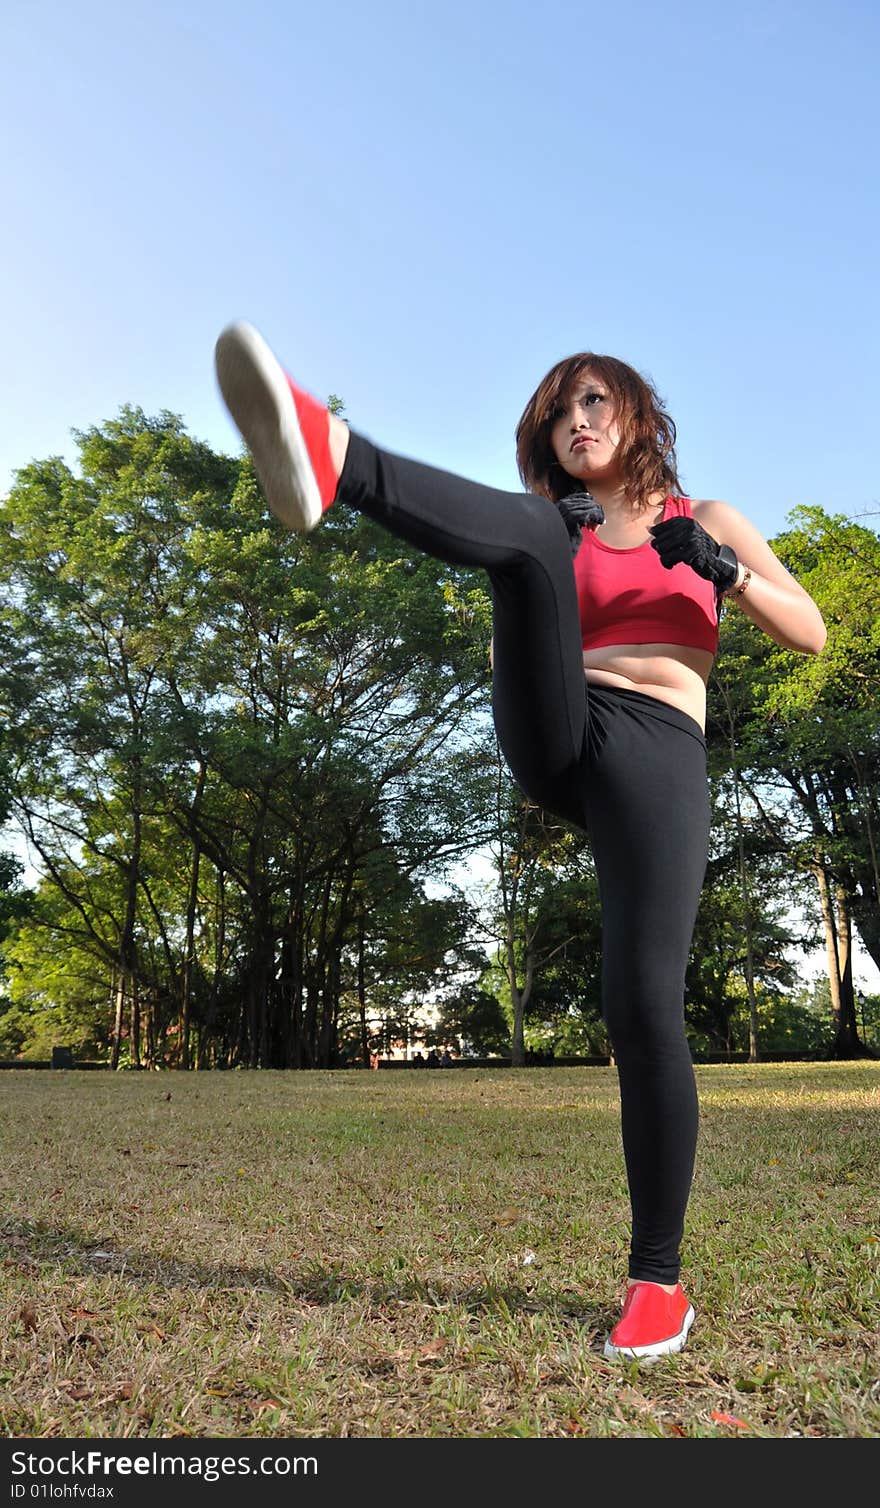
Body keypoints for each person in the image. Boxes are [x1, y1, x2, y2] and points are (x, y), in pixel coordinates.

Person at [214, 322, 827, 1361]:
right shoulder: (557, 518)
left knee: (641, 1001)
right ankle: (334, 457)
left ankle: (657, 1284)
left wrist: (721, 569)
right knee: (532, 541)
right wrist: (558, 547)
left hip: (656, 748)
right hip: (558, 725)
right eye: (557, 410)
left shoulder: (704, 516)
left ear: (633, 413)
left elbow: (807, 627)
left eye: (592, 401)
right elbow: (521, 637)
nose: (574, 420)